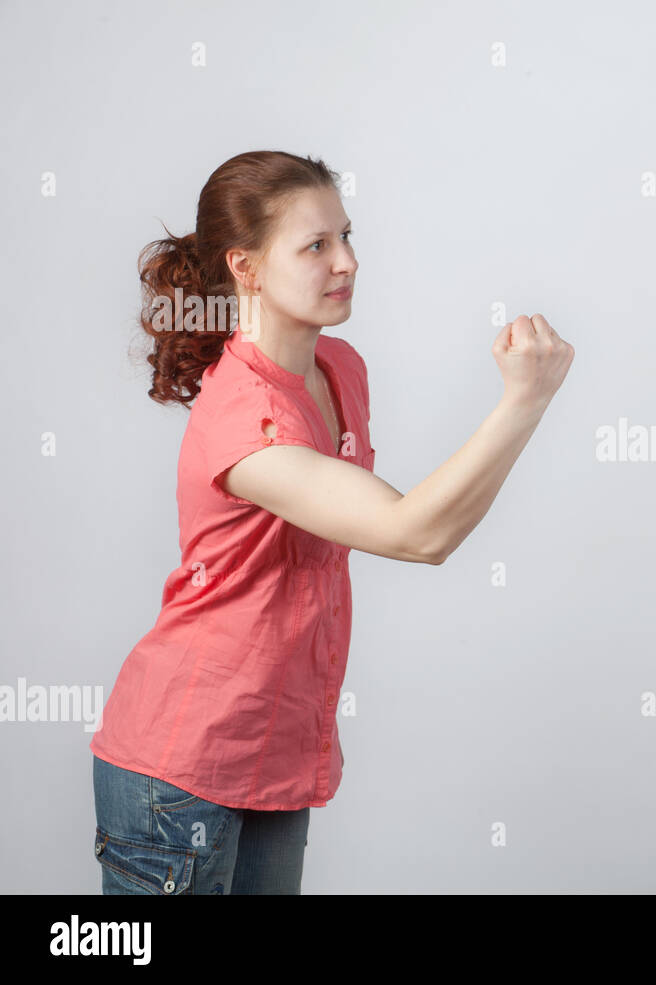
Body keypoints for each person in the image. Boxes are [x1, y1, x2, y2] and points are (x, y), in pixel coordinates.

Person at [90, 150, 573, 894]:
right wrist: (523, 402)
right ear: (245, 267)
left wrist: (524, 408)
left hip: (276, 751)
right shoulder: (242, 416)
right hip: (179, 769)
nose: (346, 261)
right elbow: (418, 533)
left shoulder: (339, 368)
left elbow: (416, 525)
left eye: (347, 236)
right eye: (316, 245)